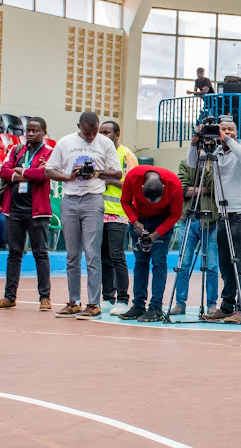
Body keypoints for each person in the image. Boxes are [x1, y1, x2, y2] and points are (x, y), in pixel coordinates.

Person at [45, 111, 122, 320]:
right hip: (69, 200)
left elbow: (117, 173)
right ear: (79, 126)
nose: (91, 137)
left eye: (94, 133)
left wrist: (96, 172)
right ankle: (73, 302)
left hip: (93, 200)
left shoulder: (104, 143)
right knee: (72, 255)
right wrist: (68, 176)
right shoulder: (65, 142)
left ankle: (94, 303)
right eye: (87, 134)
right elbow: (49, 171)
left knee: (92, 253)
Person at [191, 116, 241, 324]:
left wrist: (226, 139)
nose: (226, 132)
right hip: (224, 215)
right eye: (222, 129)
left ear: (236, 133)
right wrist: (195, 141)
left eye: (230, 130)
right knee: (226, 265)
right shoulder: (215, 153)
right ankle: (227, 307)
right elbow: (193, 163)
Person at [0, 118, 53, 311]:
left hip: (37, 212)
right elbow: (4, 171)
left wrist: (22, 172)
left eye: (35, 130)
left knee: (40, 254)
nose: (31, 134)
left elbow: (44, 174)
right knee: (14, 253)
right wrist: (27, 173)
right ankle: (9, 297)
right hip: (14, 210)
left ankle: (45, 298)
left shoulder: (49, 153)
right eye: (29, 130)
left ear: (44, 132)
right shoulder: (17, 150)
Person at [118, 165, 183, 322]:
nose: (152, 204)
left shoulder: (174, 184)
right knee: (140, 262)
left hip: (162, 220)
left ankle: (155, 307)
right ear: (142, 187)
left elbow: (175, 214)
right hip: (140, 220)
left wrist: (156, 234)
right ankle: (138, 305)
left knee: (159, 261)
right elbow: (125, 201)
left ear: (163, 186)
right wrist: (134, 221)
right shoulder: (133, 178)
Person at [170, 157, 219, 316]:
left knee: (211, 265)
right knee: (183, 264)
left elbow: (214, 186)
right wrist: (205, 189)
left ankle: (212, 304)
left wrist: (207, 165)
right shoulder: (185, 163)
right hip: (189, 220)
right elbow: (182, 190)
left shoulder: (215, 162)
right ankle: (179, 303)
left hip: (211, 221)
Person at [98, 121, 138, 316]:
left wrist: (107, 179)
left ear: (117, 134)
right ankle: (107, 297)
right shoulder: (97, 154)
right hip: (97, 213)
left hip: (118, 214)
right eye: (100, 132)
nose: (103, 136)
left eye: (107, 132)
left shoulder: (127, 155)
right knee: (103, 257)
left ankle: (123, 299)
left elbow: (132, 186)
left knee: (117, 257)